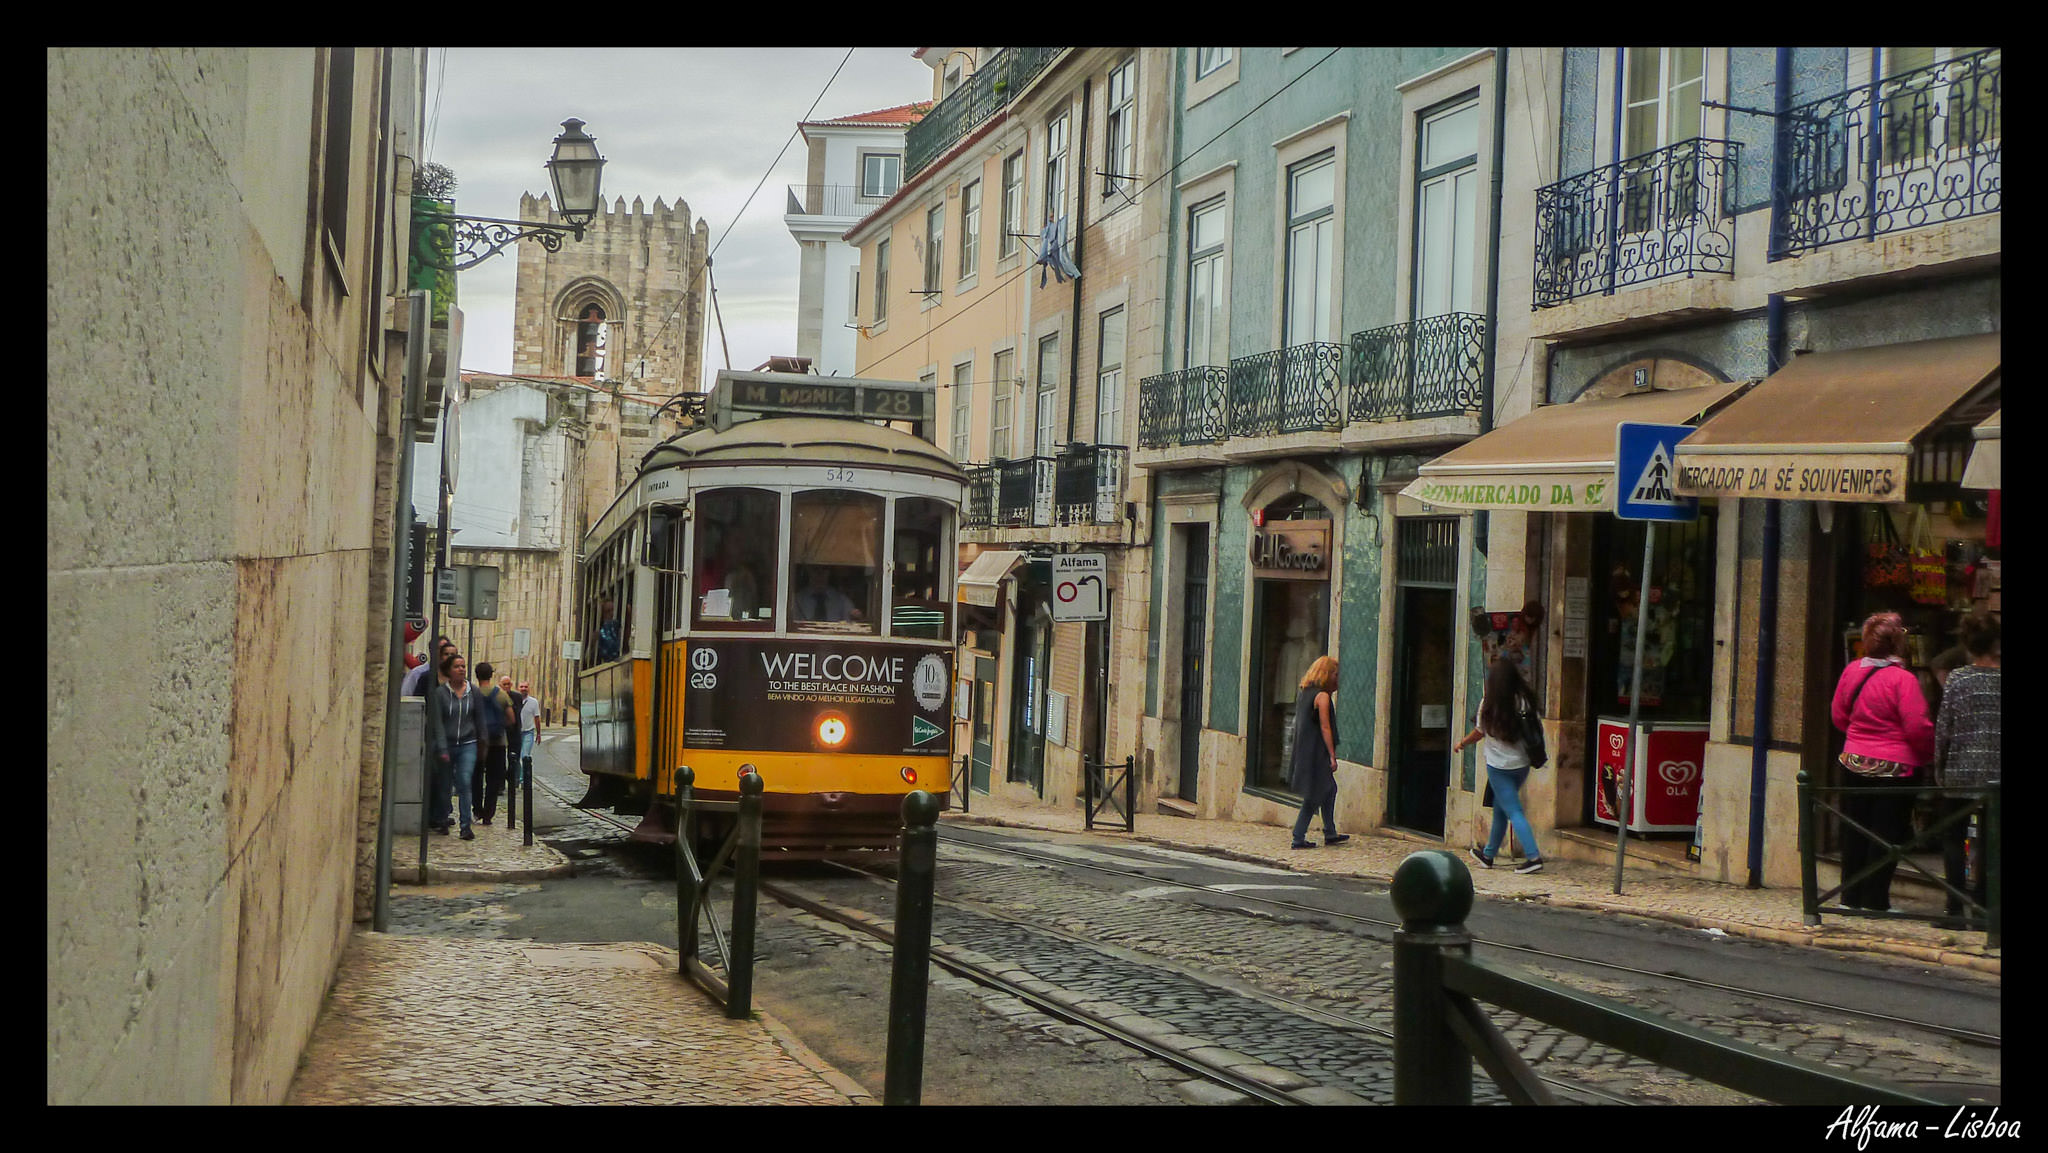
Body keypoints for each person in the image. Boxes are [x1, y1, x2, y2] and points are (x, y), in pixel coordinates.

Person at [1831, 611, 1935, 913]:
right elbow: (1917, 726)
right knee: (1886, 834)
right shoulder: (1903, 680)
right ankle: (1876, 901)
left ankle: (1850, 897)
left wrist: (1860, 736)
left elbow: (1838, 715)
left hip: (1853, 761)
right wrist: (1927, 754)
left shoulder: (1851, 672)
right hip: (1896, 767)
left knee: (1855, 829)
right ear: (1898, 643)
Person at [1933, 612, 1999, 928]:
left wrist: (1939, 768)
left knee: (1954, 839)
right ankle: (1985, 910)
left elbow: (1943, 729)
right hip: (1996, 777)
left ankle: (1954, 909)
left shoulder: (1958, 679)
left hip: (1959, 769)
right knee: (1990, 841)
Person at [1456, 657, 1547, 874]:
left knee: (1513, 810)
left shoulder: (1488, 703)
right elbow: (1536, 727)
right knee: (1500, 809)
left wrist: (1462, 743)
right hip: (1522, 765)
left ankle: (1534, 857)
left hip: (1498, 767)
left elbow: (1479, 732)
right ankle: (1488, 855)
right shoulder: (1524, 700)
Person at [1287, 657, 1347, 850]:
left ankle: (1330, 832)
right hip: (1316, 752)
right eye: (1335, 674)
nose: (1338, 678)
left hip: (1305, 750)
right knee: (1315, 795)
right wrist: (1332, 755)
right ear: (1327, 675)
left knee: (1329, 790)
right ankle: (1298, 836)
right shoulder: (1322, 697)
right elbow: (1325, 727)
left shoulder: (1305, 692)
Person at [429, 652, 482, 840]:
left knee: (464, 782)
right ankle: (443, 818)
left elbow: (479, 719)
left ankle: (465, 827)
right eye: (457, 666)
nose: (461, 669)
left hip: (468, 743)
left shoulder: (473, 692)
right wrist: (442, 748)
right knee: (445, 786)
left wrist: (483, 744)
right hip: (447, 744)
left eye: (463, 666)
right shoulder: (440, 694)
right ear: (449, 671)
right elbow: (437, 723)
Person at [474, 662, 514, 825]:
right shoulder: (502, 695)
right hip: (497, 742)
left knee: (475, 777)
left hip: (477, 742)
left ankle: (477, 809)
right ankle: (488, 814)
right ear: (491, 675)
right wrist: (498, 726)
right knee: (493, 778)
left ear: (477, 675)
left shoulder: (472, 694)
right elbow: (512, 719)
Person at [794, 566, 861, 623]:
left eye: (824, 569)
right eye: (815, 569)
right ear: (808, 572)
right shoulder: (797, 600)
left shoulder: (842, 601)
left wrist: (856, 617)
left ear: (829, 573)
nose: (820, 574)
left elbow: (852, 623)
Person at [515, 679, 542, 796]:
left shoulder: (533, 702)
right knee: (514, 757)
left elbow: (537, 718)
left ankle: (523, 780)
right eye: (521, 687)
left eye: (525, 687)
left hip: (528, 732)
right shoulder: (514, 700)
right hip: (516, 732)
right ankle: (515, 779)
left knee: (525, 756)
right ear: (518, 688)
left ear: (528, 688)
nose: (523, 689)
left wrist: (539, 733)